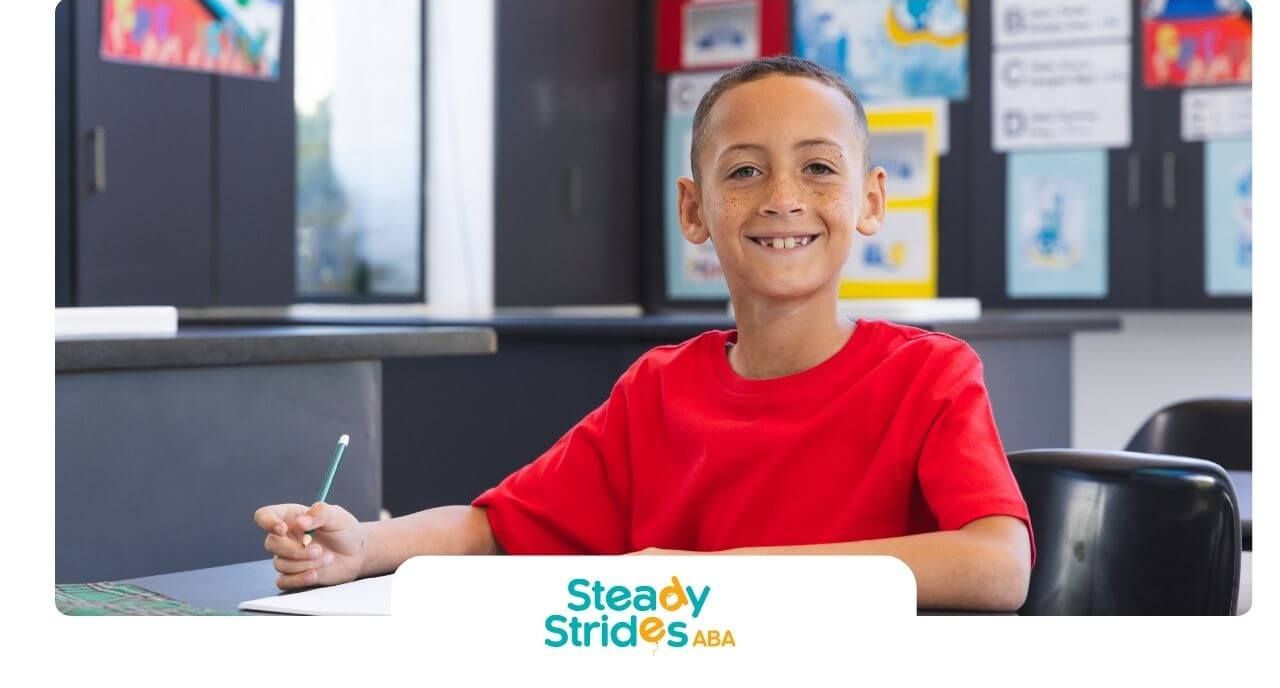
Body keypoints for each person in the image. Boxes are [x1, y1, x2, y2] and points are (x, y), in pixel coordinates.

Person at [254, 55, 1034, 611]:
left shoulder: (930, 375)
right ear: (694, 210)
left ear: (869, 202)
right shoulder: (659, 390)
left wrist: (714, 578)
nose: (784, 198)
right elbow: (497, 529)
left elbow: (997, 566)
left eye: (819, 169)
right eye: (744, 172)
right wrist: (364, 549)